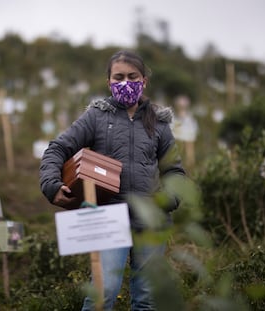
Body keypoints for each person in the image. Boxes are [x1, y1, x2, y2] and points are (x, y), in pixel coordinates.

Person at [39, 50, 185, 310]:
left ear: (144, 80)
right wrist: (51, 185)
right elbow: (57, 148)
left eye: (132, 76)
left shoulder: (160, 124)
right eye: (118, 77)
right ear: (108, 82)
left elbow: (174, 172)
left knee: (147, 300)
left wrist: (167, 200)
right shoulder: (96, 116)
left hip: (151, 221)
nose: (125, 83)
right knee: (102, 294)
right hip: (108, 219)